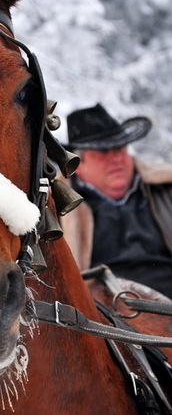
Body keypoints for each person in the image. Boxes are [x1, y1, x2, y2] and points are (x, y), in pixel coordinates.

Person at [61, 103, 172, 299]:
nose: (116, 158)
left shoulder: (165, 188)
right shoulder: (57, 208)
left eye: (120, 148)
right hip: (107, 317)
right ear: (77, 165)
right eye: (103, 152)